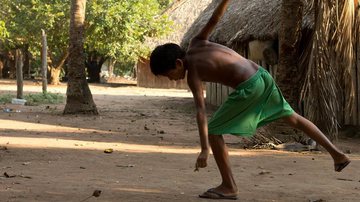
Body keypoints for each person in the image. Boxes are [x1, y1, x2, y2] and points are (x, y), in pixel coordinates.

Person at [149, 0, 350, 200]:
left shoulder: (192, 73)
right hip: (262, 76)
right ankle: (337, 154)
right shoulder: (196, 41)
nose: (171, 79)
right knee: (293, 117)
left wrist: (204, 149)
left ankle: (229, 186)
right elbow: (215, 18)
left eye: (169, 74)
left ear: (177, 63)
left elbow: (200, 112)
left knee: (214, 132)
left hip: (249, 87)